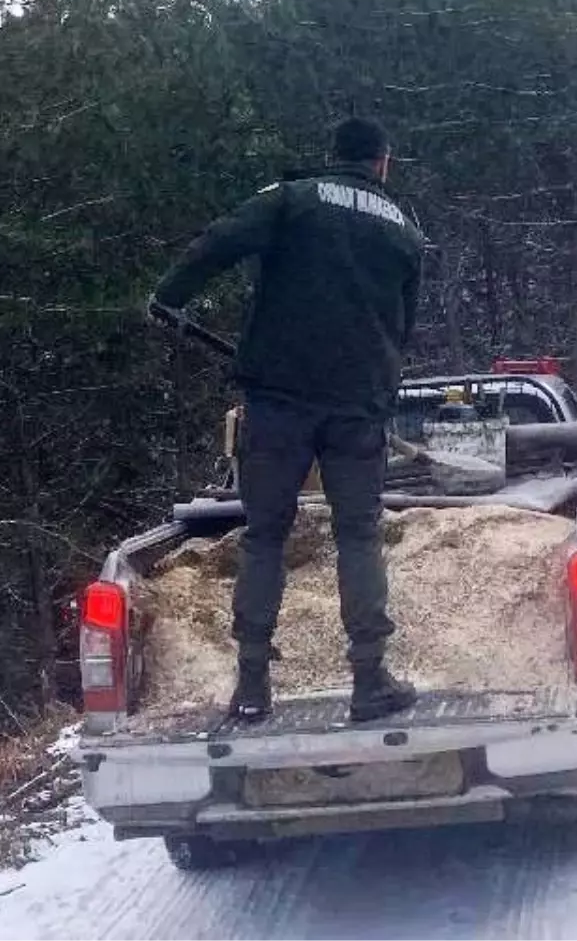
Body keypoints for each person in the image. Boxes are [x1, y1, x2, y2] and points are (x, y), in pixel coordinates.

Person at [151, 117, 423, 723]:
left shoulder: (292, 199)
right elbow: (403, 327)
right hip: (358, 407)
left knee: (265, 535)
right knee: (359, 534)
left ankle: (251, 686)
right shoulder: (404, 229)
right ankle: (370, 678)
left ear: (334, 156)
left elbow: (218, 242)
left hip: (278, 401)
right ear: (383, 163)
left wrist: (169, 296)